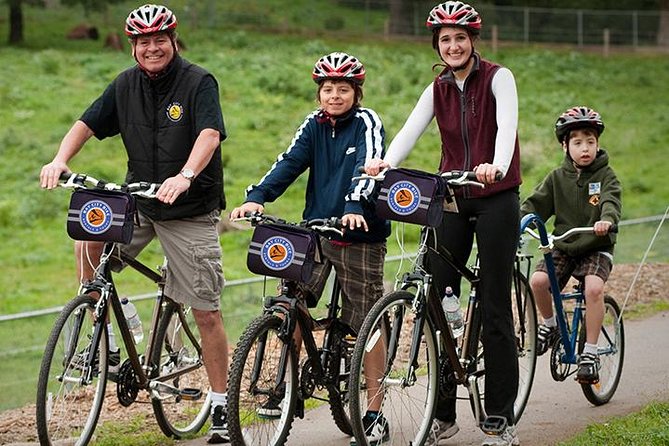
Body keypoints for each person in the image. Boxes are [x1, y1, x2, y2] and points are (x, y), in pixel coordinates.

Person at [39, 4, 231, 444]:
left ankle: (219, 404)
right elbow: (87, 123)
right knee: (87, 238)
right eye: (143, 41)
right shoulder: (125, 84)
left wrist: (184, 177)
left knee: (205, 310)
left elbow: (209, 135)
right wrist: (60, 159)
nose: (151, 47)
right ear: (133, 47)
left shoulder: (198, 82)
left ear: (172, 40)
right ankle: (107, 312)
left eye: (158, 39)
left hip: (188, 208)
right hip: (142, 198)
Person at [365, 2, 522, 445]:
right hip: (451, 197)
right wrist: (385, 162)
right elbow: (410, 130)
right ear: (437, 45)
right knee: (435, 300)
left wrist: (497, 164)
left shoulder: (498, 77)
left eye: (460, 37)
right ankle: (443, 413)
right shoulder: (437, 88)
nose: (453, 46)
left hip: (495, 197)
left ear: (473, 40)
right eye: (445, 40)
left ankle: (499, 415)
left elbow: (506, 127)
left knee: (492, 305)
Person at [230, 51, 391, 446]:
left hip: (360, 233)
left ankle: (373, 411)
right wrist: (257, 196)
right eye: (327, 89)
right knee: (292, 300)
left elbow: (369, 166)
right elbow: (289, 162)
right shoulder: (313, 125)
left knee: (366, 321)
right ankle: (283, 387)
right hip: (318, 230)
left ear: (357, 92)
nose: (334, 95)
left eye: (343, 88)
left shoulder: (367, 123)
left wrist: (355, 205)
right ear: (319, 93)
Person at [521, 106, 622, 384]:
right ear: (565, 146)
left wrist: (607, 219)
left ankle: (590, 352)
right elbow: (535, 205)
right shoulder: (556, 178)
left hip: (596, 244)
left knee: (594, 288)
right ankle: (551, 326)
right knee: (538, 282)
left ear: (598, 143)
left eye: (590, 141)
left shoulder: (606, 176)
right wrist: (520, 221)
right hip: (564, 245)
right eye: (577, 142)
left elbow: (611, 203)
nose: (585, 148)